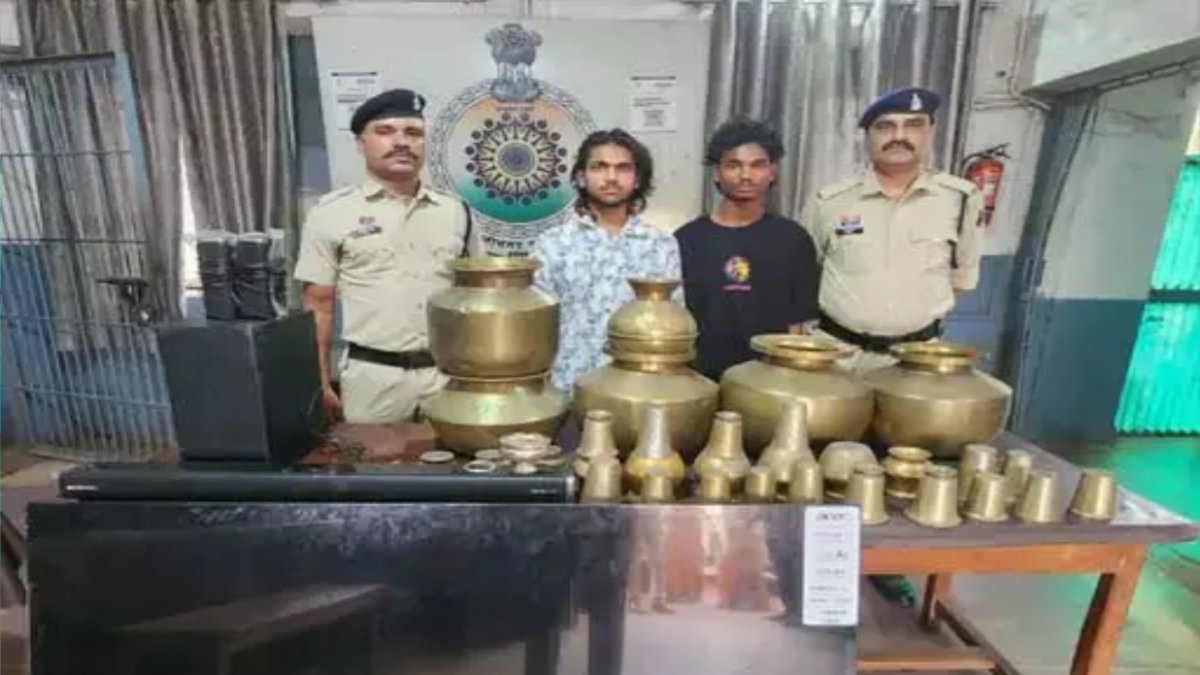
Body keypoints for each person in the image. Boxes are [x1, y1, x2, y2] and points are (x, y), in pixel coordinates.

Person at [294, 88, 483, 424]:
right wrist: (318, 381)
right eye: (385, 131)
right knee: (373, 458)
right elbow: (318, 307)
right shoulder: (331, 213)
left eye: (413, 133)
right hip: (373, 379)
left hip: (448, 377)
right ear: (361, 143)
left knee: (456, 457)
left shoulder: (457, 212)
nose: (401, 142)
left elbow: (479, 297)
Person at [801, 87, 984, 372]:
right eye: (885, 127)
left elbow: (961, 279)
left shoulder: (960, 199)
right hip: (838, 357)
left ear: (930, 132)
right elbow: (804, 275)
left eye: (913, 125)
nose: (899, 136)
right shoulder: (829, 202)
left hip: (919, 360)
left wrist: (905, 322)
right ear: (868, 136)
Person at [531, 129, 683, 392]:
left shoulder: (660, 245)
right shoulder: (553, 244)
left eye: (623, 168)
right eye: (599, 167)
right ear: (581, 177)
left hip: (641, 393)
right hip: (568, 390)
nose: (611, 177)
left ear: (637, 179)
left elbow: (674, 327)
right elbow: (535, 329)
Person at [675, 118, 819, 381]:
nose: (746, 175)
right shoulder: (685, 240)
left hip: (771, 382)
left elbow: (799, 325)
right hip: (699, 382)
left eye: (757, 165)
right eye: (734, 165)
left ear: (772, 172)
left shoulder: (793, 239)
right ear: (716, 172)